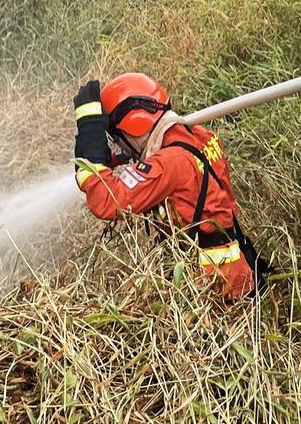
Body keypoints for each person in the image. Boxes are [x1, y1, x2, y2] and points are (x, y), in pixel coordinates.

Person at [72, 72, 265, 301]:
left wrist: (91, 140)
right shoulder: (200, 137)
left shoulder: (171, 163)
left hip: (213, 291)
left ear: (134, 124)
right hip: (238, 273)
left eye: (118, 136)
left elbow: (107, 202)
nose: (118, 145)